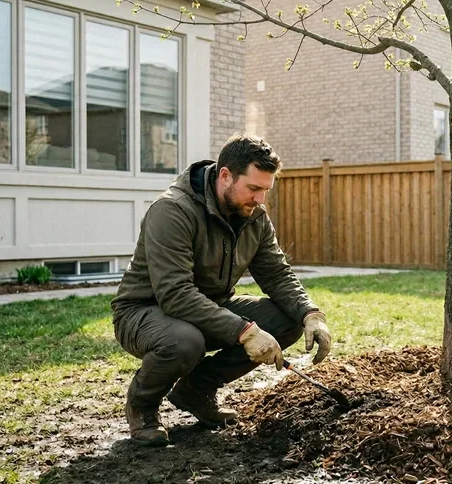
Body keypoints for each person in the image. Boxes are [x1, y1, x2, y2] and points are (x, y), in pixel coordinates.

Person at [111, 133, 332, 445]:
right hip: (145, 312)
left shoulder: (253, 215)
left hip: (208, 308)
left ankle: (195, 391)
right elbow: (175, 294)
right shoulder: (173, 210)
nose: (261, 200)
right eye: (253, 188)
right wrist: (246, 332)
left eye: (266, 190)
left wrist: (310, 313)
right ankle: (143, 405)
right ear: (226, 175)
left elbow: (276, 273)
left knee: (287, 319)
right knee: (185, 341)